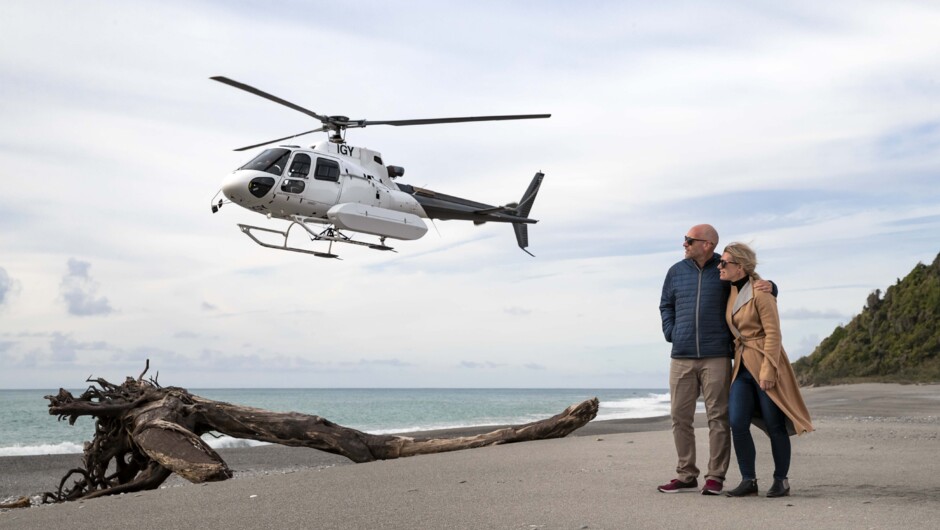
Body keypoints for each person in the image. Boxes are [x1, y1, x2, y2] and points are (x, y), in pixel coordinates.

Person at [658, 225, 774, 495]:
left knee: (718, 418)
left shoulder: (725, 267)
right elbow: (665, 304)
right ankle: (686, 474)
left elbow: (752, 287)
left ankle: (715, 476)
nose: (684, 244)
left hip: (717, 355)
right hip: (681, 355)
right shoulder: (675, 271)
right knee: (679, 417)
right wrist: (671, 332)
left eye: (689, 240)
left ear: (707, 244)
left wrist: (773, 286)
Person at [718, 242, 814, 498]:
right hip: (741, 366)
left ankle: (781, 480)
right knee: (737, 422)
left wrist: (769, 370)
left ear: (740, 266)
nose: (720, 266)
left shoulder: (761, 292)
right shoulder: (729, 291)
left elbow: (773, 333)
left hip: (764, 362)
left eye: (724, 262)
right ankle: (749, 480)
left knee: (774, 425)